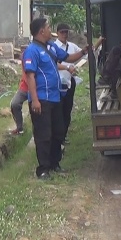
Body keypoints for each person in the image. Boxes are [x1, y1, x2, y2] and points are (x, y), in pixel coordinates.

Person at [23, 18, 92, 180]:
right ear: (41, 31)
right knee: (43, 135)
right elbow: (30, 77)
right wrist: (35, 100)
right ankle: (43, 169)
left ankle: (55, 163)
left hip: (55, 97)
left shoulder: (51, 46)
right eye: (48, 27)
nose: (50, 30)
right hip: (42, 99)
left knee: (58, 131)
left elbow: (68, 58)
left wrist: (84, 51)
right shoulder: (31, 51)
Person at [53, 23, 83, 146]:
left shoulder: (71, 46)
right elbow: (53, 64)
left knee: (67, 110)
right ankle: (58, 138)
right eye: (62, 32)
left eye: (66, 32)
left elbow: (83, 54)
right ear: (58, 33)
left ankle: (63, 136)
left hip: (70, 82)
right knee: (58, 112)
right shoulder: (53, 47)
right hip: (58, 83)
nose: (65, 35)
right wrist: (67, 67)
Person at [9, 45, 29, 135]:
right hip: (25, 87)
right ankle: (19, 128)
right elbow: (26, 75)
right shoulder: (24, 57)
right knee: (14, 104)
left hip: (38, 88)